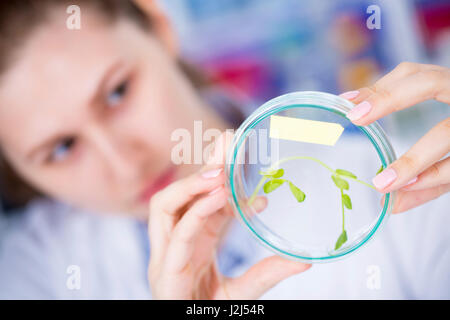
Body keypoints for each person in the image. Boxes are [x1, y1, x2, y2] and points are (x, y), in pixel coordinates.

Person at [0, 0, 448, 299]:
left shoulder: (412, 188)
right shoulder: (29, 272)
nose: (126, 162)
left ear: (158, 28)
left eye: (117, 93)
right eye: (61, 148)